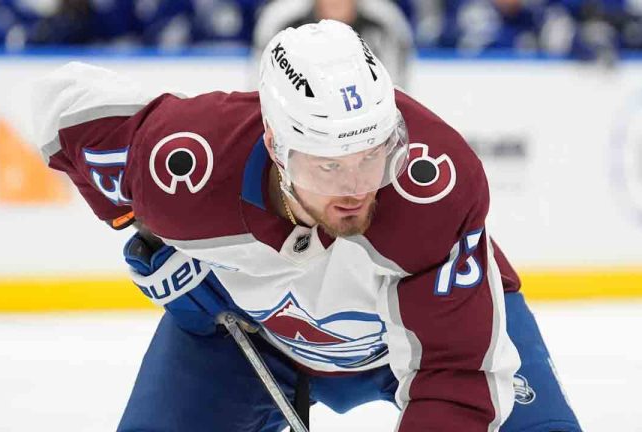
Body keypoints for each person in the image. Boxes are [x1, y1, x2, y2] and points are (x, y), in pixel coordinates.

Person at [30, 20, 581, 432]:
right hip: (246, 334)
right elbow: (63, 106)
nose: (357, 187)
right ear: (276, 147)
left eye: (372, 156)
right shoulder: (187, 162)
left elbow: (456, 374)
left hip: (423, 339)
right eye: (328, 165)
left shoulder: (433, 184)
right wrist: (137, 220)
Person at [253, 0, 413, 88]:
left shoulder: (385, 22)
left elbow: (397, 91)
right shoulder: (281, 20)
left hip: (367, 128)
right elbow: (261, 86)